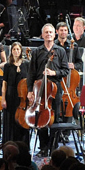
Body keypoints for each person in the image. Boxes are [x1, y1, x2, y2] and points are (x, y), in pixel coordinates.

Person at [28, 24, 68, 155]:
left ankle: (53, 147)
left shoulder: (60, 51)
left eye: (50, 32)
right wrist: (30, 90)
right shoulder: (37, 51)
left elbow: (65, 70)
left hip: (55, 89)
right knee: (41, 118)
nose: (48, 34)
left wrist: (53, 73)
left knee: (55, 119)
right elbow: (31, 73)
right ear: (42, 35)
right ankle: (43, 147)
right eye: (46, 32)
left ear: (54, 34)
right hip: (40, 89)